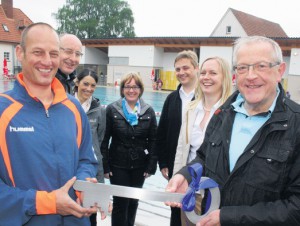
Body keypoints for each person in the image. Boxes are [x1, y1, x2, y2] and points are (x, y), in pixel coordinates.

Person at [166, 36, 300, 226]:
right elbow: (204, 157)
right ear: (236, 73)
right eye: (243, 67)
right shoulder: (223, 113)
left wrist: (229, 218)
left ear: (280, 71)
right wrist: (186, 175)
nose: (251, 76)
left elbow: (296, 207)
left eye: (261, 66)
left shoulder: (296, 125)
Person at [0, 22, 98, 226]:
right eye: (38, 52)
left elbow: (87, 160)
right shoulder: (3, 111)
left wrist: (84, 185)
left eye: (54, 54)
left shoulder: (73, 107)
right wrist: (46, 202)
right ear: (20, 53)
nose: (47, 61)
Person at [173, 57, 232, 225]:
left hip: (215, 191)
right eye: (203, 73)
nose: (207, 77)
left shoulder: (231, 113)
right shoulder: (192, 109)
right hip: (190, 187)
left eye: (213, 73)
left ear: (224, 78)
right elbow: (181, 149)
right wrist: (179, 177)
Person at [101, 72, 157, 226]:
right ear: (122, 89)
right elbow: (105, 140)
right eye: (128, 87)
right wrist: (105, 165)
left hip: (140, 165)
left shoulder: (148, 111)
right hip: (118, 164)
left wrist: (151, 166)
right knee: (120, 203)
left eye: (135, 87)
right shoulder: (112, 110)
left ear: (140, 89)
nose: (131, 90)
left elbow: (153, 140)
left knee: (133, 202)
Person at [156, 50, 199, 226]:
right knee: (176, 210)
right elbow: (162, 133)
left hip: (199, 165)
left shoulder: (205, 97)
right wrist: (163, 162)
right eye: (177, 69)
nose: (181, 72)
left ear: (196, 68)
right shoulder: (172, 99)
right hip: (177, 165)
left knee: (199, 210)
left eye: (186, 68)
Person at [74, 69, 106, 226]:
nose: (89, 88)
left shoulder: (99, 110)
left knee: (91, 211)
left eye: (93, 85)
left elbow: (99, 140)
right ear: (77, 83)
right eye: (85, 84)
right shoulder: (66, 105)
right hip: (70, 166)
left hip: (92, 168)